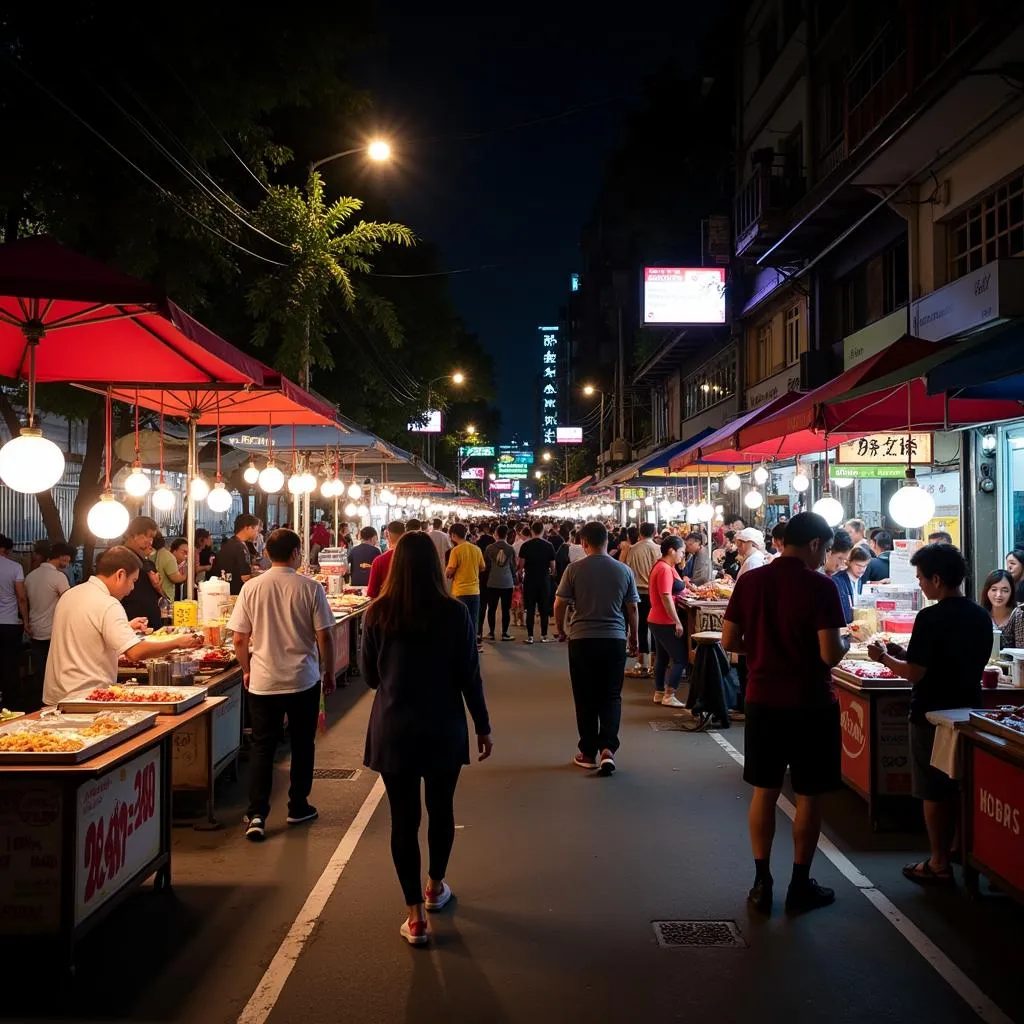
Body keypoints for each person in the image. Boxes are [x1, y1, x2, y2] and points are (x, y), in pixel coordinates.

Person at [361, 531, 492, 946]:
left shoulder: (377, 612)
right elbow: (469, 675)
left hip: (394, 727)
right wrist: (483, 725)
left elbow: (367, 677)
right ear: (437, 565)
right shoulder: (454, 613)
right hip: (443, 726)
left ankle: (414, 915)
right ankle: (436, 886)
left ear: (395, 565)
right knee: (440, 810)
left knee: (403, 819)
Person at [721, 513, 849, 914]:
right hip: (811, 703)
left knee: (765, 790)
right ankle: (799, 884)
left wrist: (762, 649)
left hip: (762, 700)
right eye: (826, 549)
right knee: (809, 795)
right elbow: (829, 653)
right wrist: (842, 644)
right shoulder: (821, 587)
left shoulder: (751, 581)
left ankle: (761, 883)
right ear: (813, 544)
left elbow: (729, 640)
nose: (826, 556)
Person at [867, 543, 992, 886]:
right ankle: (958, 848)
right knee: (961, 785)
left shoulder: (931, 616)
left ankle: (938, 863)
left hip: (931, 714)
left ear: (937, 579)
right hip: (969, 711)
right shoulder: (980, 615)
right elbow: (948, 661)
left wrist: (883, 658)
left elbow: (916, 673)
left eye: (921, 578)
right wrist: (900, 651)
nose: (919, 584)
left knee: (933, 790)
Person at [228, 529, 336, 842]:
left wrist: (247, 669)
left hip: (264, 681)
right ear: (294, 554)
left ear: (268, 554)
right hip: (303, 679)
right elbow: (325, 635)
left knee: (263, 746)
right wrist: (328, 672)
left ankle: (257, 814)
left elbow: (238, 638)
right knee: (303, 744)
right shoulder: (310, 587)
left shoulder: (252, 588)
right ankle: (297, 806)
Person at [43, 546, 202, 706]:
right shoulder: (108, 603)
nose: (132, 589)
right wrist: (177, 642)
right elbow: (135, 653)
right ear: (120, 575)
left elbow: (84, 631)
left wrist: (126, 626)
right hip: (86, 698)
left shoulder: (71, 594)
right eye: (133, 581)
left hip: (56, 697)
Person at [553, 521, 639, 775]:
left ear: (584, 543)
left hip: (582, 639)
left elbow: (559, 604)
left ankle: (588, 752)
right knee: (611, 695)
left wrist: (561, 629)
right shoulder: (624, 570)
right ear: (607, 541)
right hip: (614, 640)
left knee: (585, 696)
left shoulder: (574, 569)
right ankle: (608, 749)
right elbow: (633, 608)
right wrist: (633, 637)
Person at [22, 541, 74, 711]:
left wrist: (27, 624)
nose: (68, 561)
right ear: (62, 556)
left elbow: (26, 602)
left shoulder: (31, 576)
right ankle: (54, 705)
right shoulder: (58, 577)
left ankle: (36, 707)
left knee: (39, 671)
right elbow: (69, 602)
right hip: (53, 632)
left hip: (35, 630)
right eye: (67, 557)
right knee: (56, 671)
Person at [646, 535, 690, 708]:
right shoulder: (664, 569)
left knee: (662, 658)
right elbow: (666, 597)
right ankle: (670, 693)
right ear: (671, 550)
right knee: (681, 658)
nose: (682, 556)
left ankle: (659, 692)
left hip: (656, 618)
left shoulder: (663, 566)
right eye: (681, 552)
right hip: (663, 620)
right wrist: (677, 621)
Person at [625, 521, 660, 678]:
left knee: (641, 627)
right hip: (654, 593)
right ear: (655, 532)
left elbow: (628, 569)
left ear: (640, 532)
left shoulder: (633, 549)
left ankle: (643, 663)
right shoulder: (658, 549)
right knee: (654, 628)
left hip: (638, 592)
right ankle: (655, 664)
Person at [446, 523, 485, 647]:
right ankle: (473, 644)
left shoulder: (455, 550)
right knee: (473, 620)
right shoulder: (476, 549)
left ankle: (461, 645)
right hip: (474, 590)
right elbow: (483, 567)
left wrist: (448, 572)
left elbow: (450, 571)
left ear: (453, 535)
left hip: (460, 591)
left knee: (460, 620)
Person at [120, 517, 163, 629]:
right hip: (132, 627)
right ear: (133, 535)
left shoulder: (148, 563)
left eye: (152, 537)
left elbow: (159, 598)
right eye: (146, 536)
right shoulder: (119, 559)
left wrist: (158, 587)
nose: (150, 542)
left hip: (152, 628)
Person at [518, 521, 556, 644]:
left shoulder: (525, 545)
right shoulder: (549, 545)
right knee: (543, 608)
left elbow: (521, 565)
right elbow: (553, 566)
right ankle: (544, 635)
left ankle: (530, 636)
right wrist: (550, 573)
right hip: (544, 580)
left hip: (530, 580)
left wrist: (521, 573)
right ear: (543, 531)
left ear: (532, 531)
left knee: (530, 608)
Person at [212, 514, 261, 596]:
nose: (257, 534)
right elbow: (245, 577)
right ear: (247, 528)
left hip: (224, 590)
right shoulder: (240, 547)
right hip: (236, 593)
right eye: (256, 530)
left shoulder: (229, 542)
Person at [483, 526, 517, 641]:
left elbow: (486, 566)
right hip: (507, 582)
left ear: (496, 534)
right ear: (506, 535)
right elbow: (514, 567)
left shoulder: (489, 548)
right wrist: (516, 581)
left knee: (491, 608)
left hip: (492, 581)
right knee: (506, 609)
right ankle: (504, 633)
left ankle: (491, 633)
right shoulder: (511, 549)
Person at [367, 521, 406, 598]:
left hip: (386, 607)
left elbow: (372, 593)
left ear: (386, 534)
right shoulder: (415, 558)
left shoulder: (379, 561)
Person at [823, 529, 854, 624]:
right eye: (839, 558)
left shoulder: (836, 577)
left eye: (844, 560)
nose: (840, 565)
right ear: (828, 551)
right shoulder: (815, 578)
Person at [979, 569, 1016, 633]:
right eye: (994, 589)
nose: (999, 595)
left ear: (1011, 592)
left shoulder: (1018, 616)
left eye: (1005, 590)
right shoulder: (979, 615)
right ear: (987, 591)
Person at [154, 535, 188, 602]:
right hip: (165, 597)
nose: (186, 556)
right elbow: (176, 579)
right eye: (184, 552)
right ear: (174, 550)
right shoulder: (169, 558)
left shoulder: (157, 554)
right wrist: (187, 573)